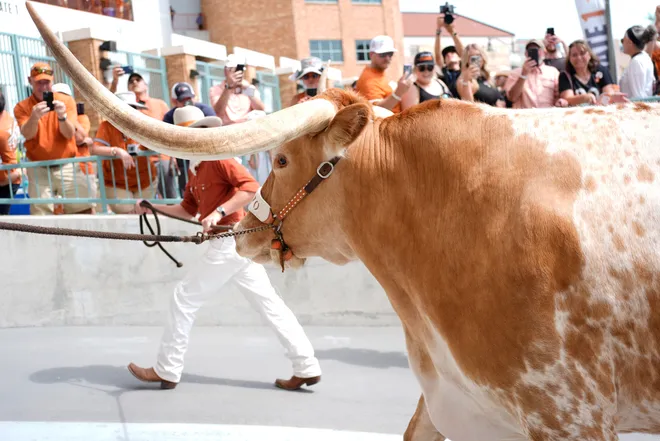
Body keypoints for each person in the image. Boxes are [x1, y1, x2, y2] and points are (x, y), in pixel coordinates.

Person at [127, 105, 322, 391]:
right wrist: (150, 207)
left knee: (183, 298)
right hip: (233, 245)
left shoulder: (220, 159)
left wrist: (218, 212)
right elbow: (186, 208)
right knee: (269, 304)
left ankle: (167, 370)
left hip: (229, 240)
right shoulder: (195, 170)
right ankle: (307, 365)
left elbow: (250, 187)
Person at [13, 62, 95, 215]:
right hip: (38, 169)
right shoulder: (22, 107)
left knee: (82, 210)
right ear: (30, 81)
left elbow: (69, 134)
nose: (43, 87)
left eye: (47, 82)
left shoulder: (66, 101)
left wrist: (62, 117)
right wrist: (34, 117)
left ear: (52, 81)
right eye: (39, 82)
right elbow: (27, 134)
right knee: (41, 215)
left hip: (67, 165)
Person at [89, 91, 158, 214]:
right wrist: (118, 151)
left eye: (132, 107)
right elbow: (95, 149)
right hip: (116, 183)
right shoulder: (106, 126)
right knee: (129, 213)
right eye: (124, 107)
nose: (129, 111)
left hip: (145, 181)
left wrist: (151, 145)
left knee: (145, 213)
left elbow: (155, 145)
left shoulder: (144, 126)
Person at [355, 35, 413, 113]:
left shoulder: (378, 73)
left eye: (390, 54)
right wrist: (399, 92)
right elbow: (377, 110)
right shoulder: (368, 80)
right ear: (371, 55)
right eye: (382, 54)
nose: (387, 58)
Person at [209, 54, 266, 126]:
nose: (236, 72)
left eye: (238, 69)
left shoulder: (249, 88)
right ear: (225, 71)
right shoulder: (215, 90)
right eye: (232, 69)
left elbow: (260, 109)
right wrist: (229, 87)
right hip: (227, 128)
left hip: (248, 125)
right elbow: (218, 112)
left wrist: (247, 89)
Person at [558, 40, 619, 106]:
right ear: (569, 58)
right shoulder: (565, 76)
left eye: (582, 53)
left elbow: (609, 93)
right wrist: (584, 98)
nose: (579, 57)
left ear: (589, 55)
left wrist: (601, 104)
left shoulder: (601, 71)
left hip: (601, 113)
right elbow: (567, 99)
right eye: (574, 55)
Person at [504, 40, 560, 109]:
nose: (535, 53)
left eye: (537, 50)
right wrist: (523, 75)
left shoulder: (553, 72)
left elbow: (559, 96)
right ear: (526, 53)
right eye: (530, 50)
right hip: (524, 118)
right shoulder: (515, 73)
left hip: (546, 117)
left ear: (544, 52)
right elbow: (512, 98)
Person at [620, 25, 658, 99]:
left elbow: (638, 97)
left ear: (630, 42)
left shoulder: (637, 62)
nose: (622, 43)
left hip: (636, 109)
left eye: (623, 40)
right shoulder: (644, 58)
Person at [0, 88, 21, 215]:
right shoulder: (8, 118)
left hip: (5, 181)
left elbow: (9, 162)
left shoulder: (2, 130)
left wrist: (15, 174)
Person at [434, 15, 465, 98]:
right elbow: (437, 55)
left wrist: (452, 31)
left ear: (459, 58)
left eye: (453, 52)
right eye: (446, 55)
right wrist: (438, 30)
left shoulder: (465, 70)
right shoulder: (444, 73)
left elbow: (464, 53)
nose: (449, 54)